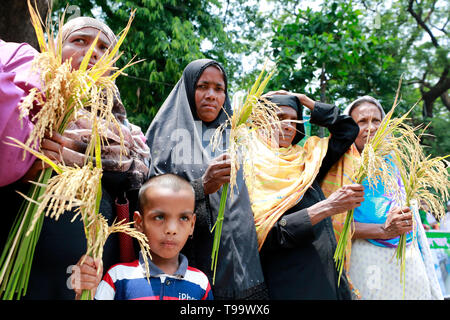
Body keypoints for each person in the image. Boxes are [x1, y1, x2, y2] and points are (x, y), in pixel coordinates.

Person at [22, 16, 150, 299]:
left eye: (104, 48)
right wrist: (30, 165)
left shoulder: (129, 132)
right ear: (56, 50)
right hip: (27, 267)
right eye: (79, 41)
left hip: (97, 271)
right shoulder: (29, 105)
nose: (93, 52)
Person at [145, 59, 268, 299]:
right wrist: (202, 187)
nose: (211, 95)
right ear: (189, 89)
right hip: (189, 261)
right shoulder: (166, 136)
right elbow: (151, 202)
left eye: (219, 88)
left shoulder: (235, 139)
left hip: (241, 266)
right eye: (203, 86)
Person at [245, 92, 362, 299]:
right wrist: (325, 208)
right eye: (279, 118)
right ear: (260, 120)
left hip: (327, 279)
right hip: (286, 283)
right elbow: (261, 235)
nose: (288, 125)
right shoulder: (247, 167)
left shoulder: (309, 161)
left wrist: (308, 102)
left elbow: (348, 130)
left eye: (293, 119)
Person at [343, 95, 443, 300]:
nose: (370, 128)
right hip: (365, 258)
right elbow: (331, 225)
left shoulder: (393, 164)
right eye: (361, 122)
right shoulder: (339, 167)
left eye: (376, 121)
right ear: (348, 127)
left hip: (407, 254)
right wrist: (383, 230)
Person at [72, 173, 213, 300]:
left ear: (192, 225)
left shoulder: (200, 283)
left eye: (183, 218)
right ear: (139, 222)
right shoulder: (118, 277)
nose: (171, 229)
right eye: (159, 217)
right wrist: (85, 293)